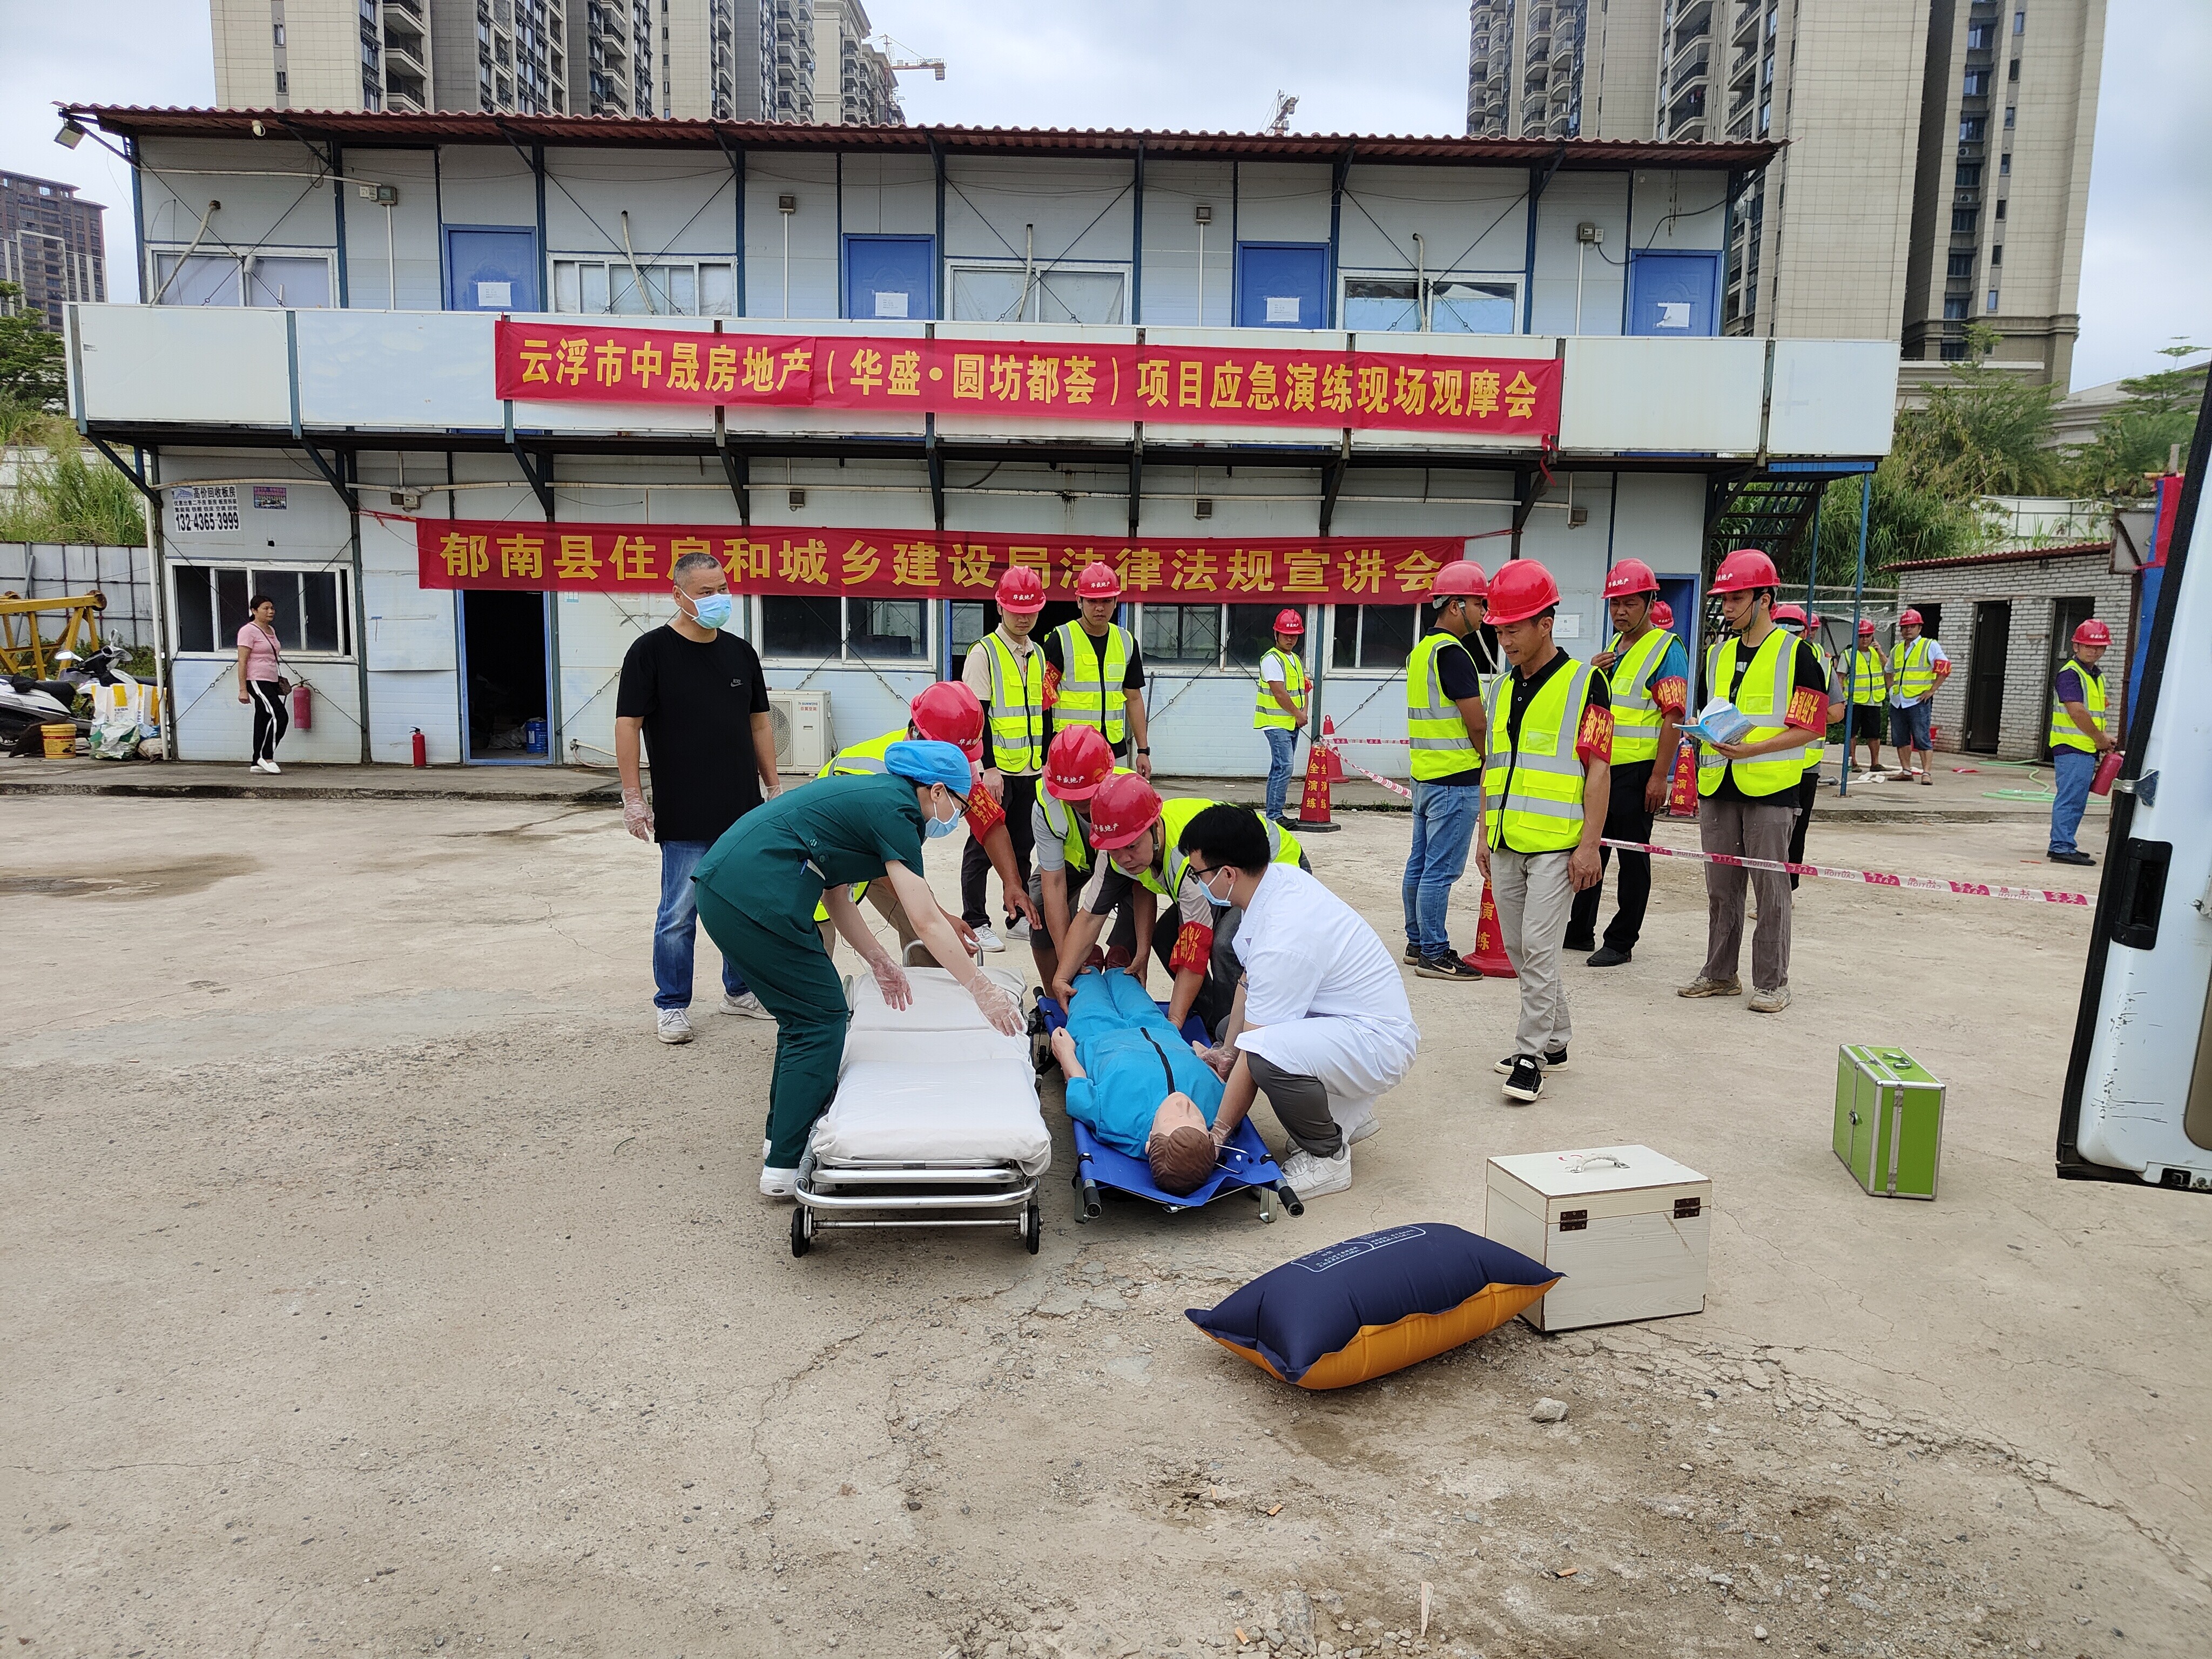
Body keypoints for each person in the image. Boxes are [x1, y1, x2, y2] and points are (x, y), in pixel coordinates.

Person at [693, 739, 1026, 1197]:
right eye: (961, 805)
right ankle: (784, 1167)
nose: (959, 817)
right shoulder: (897, 812)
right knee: (821, 1019)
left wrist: (878, 959)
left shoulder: (876, 798)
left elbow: (837, 895)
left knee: (802, 1019)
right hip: (753, 894)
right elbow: (926, 919)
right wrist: (980, 988)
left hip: (727, 887)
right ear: (936, 791)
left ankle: (781, 1141)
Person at [1179, 804, 1419, 1200]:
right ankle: (1342, 1115)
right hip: (1350, 1021)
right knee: (1230, 1032)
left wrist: (1217, 1134)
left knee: (1264, 1056)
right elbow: (1248, 982)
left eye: (1198, 874)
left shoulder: (1284, 935)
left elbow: (1257, 1050)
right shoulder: (1277, 881)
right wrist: (1226, 1050)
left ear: (1228, 874)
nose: (1197, 882)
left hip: (1377, 1041)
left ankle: (1328, 1158)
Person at [616, 550, 781, 1044]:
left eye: (722, 589)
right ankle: (672, 1004)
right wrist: (632, 796)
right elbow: (628, 725)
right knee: (678, 914)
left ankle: (739, 991)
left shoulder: (740, 654)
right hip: (685, 807)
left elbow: (759, 724)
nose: (718, 599)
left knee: (743, 906)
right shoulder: (650, 652)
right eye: (706, 592)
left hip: (742, 808)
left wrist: (773, 786)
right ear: (679, 595)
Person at [1472, 561, 1611, 1104]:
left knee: (1537, 947)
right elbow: (1492, 765)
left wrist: (1589, 844)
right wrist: (1484, 833)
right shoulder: (1500, 687)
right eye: (1498, 630)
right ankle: (1556, 1039)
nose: (1504, 640)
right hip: (1507, 839)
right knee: (1518, 947)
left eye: (1513, 629)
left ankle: (1530, 1054)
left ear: (1545, 624)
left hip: (1558, 843)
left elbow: (1598, 769)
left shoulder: (1586, 683)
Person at [1678, 549, 1831, 1015]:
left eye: (1736, 598)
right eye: (1723, 599)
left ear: (1765, 599)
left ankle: (1772, 982)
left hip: (1771, 788)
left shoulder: (1798, 654)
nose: (1726, 607)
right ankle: (1720, 973)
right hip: (1718, 785)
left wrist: (1753, 750)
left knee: (1770, 889)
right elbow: (1706, 711)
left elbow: (1812, 726)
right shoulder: (1716, 654)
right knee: (1721, 888)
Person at [1050, 775, 1303, 1040]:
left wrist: (1173, 1021)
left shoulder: (1185, 860)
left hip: (1270, 870)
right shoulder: (1117, 848)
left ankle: (1232, 1038)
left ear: (1154, 828)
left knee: (1226, 945)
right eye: (1115, 850)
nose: (1124, 858)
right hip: (1222, 879)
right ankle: (1211, 1021)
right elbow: (1091, 917)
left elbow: (1194, 948)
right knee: (1165, 937)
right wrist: (1062, 977)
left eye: (1132, 846)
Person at [811, 680, 1038, 958]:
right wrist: (940, 918)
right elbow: (892, 869)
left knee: (935, 944)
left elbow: (988, 821)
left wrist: (1012, 883)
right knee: (815, 956)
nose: (961, 765)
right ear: (921, 739)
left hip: (882, 857)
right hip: (816, 862)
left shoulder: (952, 764)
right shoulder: (879, 776)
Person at [1567, 558, 1688, 967]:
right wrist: (1592, 672)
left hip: (1637, 774)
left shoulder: (1666, 650)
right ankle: (1579, 930)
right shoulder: (1613, 648)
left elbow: (1673, 717)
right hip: (1601, 770)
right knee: (1592, 847)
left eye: (1630, 603)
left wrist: (1659, 777)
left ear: (1651, 602)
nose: (1620, 611)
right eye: (1615, 603)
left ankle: (1621, 941)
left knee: (1633, 858)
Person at [1049, 969, 1226, 1197]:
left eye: (1171, 1119)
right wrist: (1203, 1058)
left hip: (1097, 1034)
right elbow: (1221, 1080)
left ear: (1149, 1143)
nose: (1183, 1105)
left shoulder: (1120, 1123)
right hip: (1157, 1027)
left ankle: (1088, 966)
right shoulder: (1217, 1109)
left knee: (1085, 980)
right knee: (1125, 977)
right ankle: (1116, 967)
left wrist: (1066, 1054)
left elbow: (1080, 1095)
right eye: (1195, 1119)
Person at [1401, 561, 1490, 981]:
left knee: (1420, 865)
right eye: (1478, 603)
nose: (1484, 612)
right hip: (1455, 779)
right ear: (1456, 605)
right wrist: (1488, 758)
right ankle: (1435, 953)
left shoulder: (1421, 651)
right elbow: (1477, 723)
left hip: (1425, 776)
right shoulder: (1453, 654)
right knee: (1440, 872)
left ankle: (1417, 942)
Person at [960, 567, 1050, 952]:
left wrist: (1046, 759)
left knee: (1023, 843)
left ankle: (1016, 917)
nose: (1023, 617)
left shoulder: (1038, 653)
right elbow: (976, 715)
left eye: (1030, 610)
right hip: (993, 772)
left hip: (1030, 769)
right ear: (1000, 607)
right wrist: (989, 768)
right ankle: (975, 920)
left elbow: (1044, 711)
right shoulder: (984, 653)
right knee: (982, 845)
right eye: (1016, 610)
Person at [1030, 725, 1138, 989]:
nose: (1078, 802)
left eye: (1085, 794)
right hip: (1075, 863)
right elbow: (1054, 885)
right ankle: (1055, 996)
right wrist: (1067, 961)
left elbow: (1146, 876)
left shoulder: (1131, 793)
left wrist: (1141, 949)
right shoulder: (1046, 806)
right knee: (1040, 904)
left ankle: (1123, 972)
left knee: (1135, 899)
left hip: (1121, 862)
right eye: (1070, 796)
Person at [1045, 560, 1152, 778]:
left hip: (1114, 748)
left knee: (1114, 799)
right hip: (1070, 749)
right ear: (1079, 601)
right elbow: (1042, 700)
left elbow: (1134, 698)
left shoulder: (1126, 641)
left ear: (1116, 601)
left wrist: (1143, 751)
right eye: (1092, 601)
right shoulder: (1060, 639)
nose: (1100, 608)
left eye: (1106, 601)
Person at [1772, 604, 1846, 892]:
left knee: (1788, 832)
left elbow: (1837, 713)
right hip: (1771, 763)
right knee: (1783, 833)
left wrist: (1802, 713)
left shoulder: (1821, 664)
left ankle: (1784, 892)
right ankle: (1778, 892)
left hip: (1799, 764)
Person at [2047, 617, 2118, 867]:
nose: (2094, 651)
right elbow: (2077, 712)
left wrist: (2104, 738)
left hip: (2084, 747)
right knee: (2071, 799)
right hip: (2072, 747)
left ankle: (2065, 844)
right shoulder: (2070, 674)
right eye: (2089, 646)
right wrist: (2100, 739)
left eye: (2099, 647)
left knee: (2076, 798)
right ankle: (2061, 847)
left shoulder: (2096, 676)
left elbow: (2094, 713)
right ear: (2076, 646)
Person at [1253, 608, 1311, 826]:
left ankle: (1274, 813)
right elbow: (1279, 693)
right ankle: (1275, 815)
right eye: (1286, 634)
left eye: (1294, 635)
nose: (1290, 639)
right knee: (1285, 766)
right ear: (1276, 634)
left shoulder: (1295, 659)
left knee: (1280, 767)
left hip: (1291, 722)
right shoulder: (1271, 660)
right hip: (1276, 723)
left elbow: (1304, 688)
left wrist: (1303, 713)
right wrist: (1299, 714)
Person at [1887, 608, 1950, 785]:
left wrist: (1932, 691)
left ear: (1920, 628)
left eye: (1912, 626)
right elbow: (1889, 670)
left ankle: (1926, 773)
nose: (1908, 630)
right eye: (1905, 627)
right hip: (1898, 701)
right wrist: (1890, 689)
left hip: (1917, 700)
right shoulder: (1897, 649)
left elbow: (1945, 668)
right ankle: (1906, 771)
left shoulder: (1930, 645)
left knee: (1922, 737)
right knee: (1900, 738)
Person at [235, 593, 289, 774]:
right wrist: (243, 689)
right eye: (265, 608)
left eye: (272, 608)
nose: (270, 611)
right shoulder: (248, 631)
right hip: (257, 680)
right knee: (281, 716)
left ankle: (256, 761)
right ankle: (266, 757)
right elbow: (242, 661)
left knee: (263, 718)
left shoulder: (271, 630)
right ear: (254, 611)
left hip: (271, 679)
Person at [1845, 618, 1891, 775]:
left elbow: (1889, 668)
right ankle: (1853, 762)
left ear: (1873, 636)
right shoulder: (1849, 654)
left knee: (1874, 734)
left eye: (1868, 636)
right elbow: (1840, 677)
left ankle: (1875, 763)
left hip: (1874, 700)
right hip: (1854, 700)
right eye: (1861, 636)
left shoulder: (1877, 654)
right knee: (1852, 733)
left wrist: (1881, 652)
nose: (1865, 639)